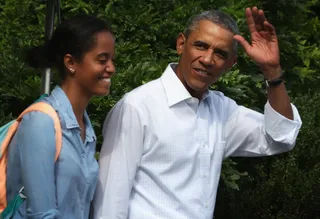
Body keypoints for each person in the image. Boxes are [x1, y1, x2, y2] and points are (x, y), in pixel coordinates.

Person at [93, 7, 302, 219]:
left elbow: (281, 137)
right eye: (201, 46)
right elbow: (109, 204)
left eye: (220, 53)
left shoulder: (221, 111)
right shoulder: (137, 107)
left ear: (230, 64)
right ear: (181, 44)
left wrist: (272, 70)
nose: (208, 59)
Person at [6, 15, 115, 219]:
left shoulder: (86, 127)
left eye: (112, 59)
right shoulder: (40, 122)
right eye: (102, 60)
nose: (111, 68)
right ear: (71, 62)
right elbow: (42, 214)